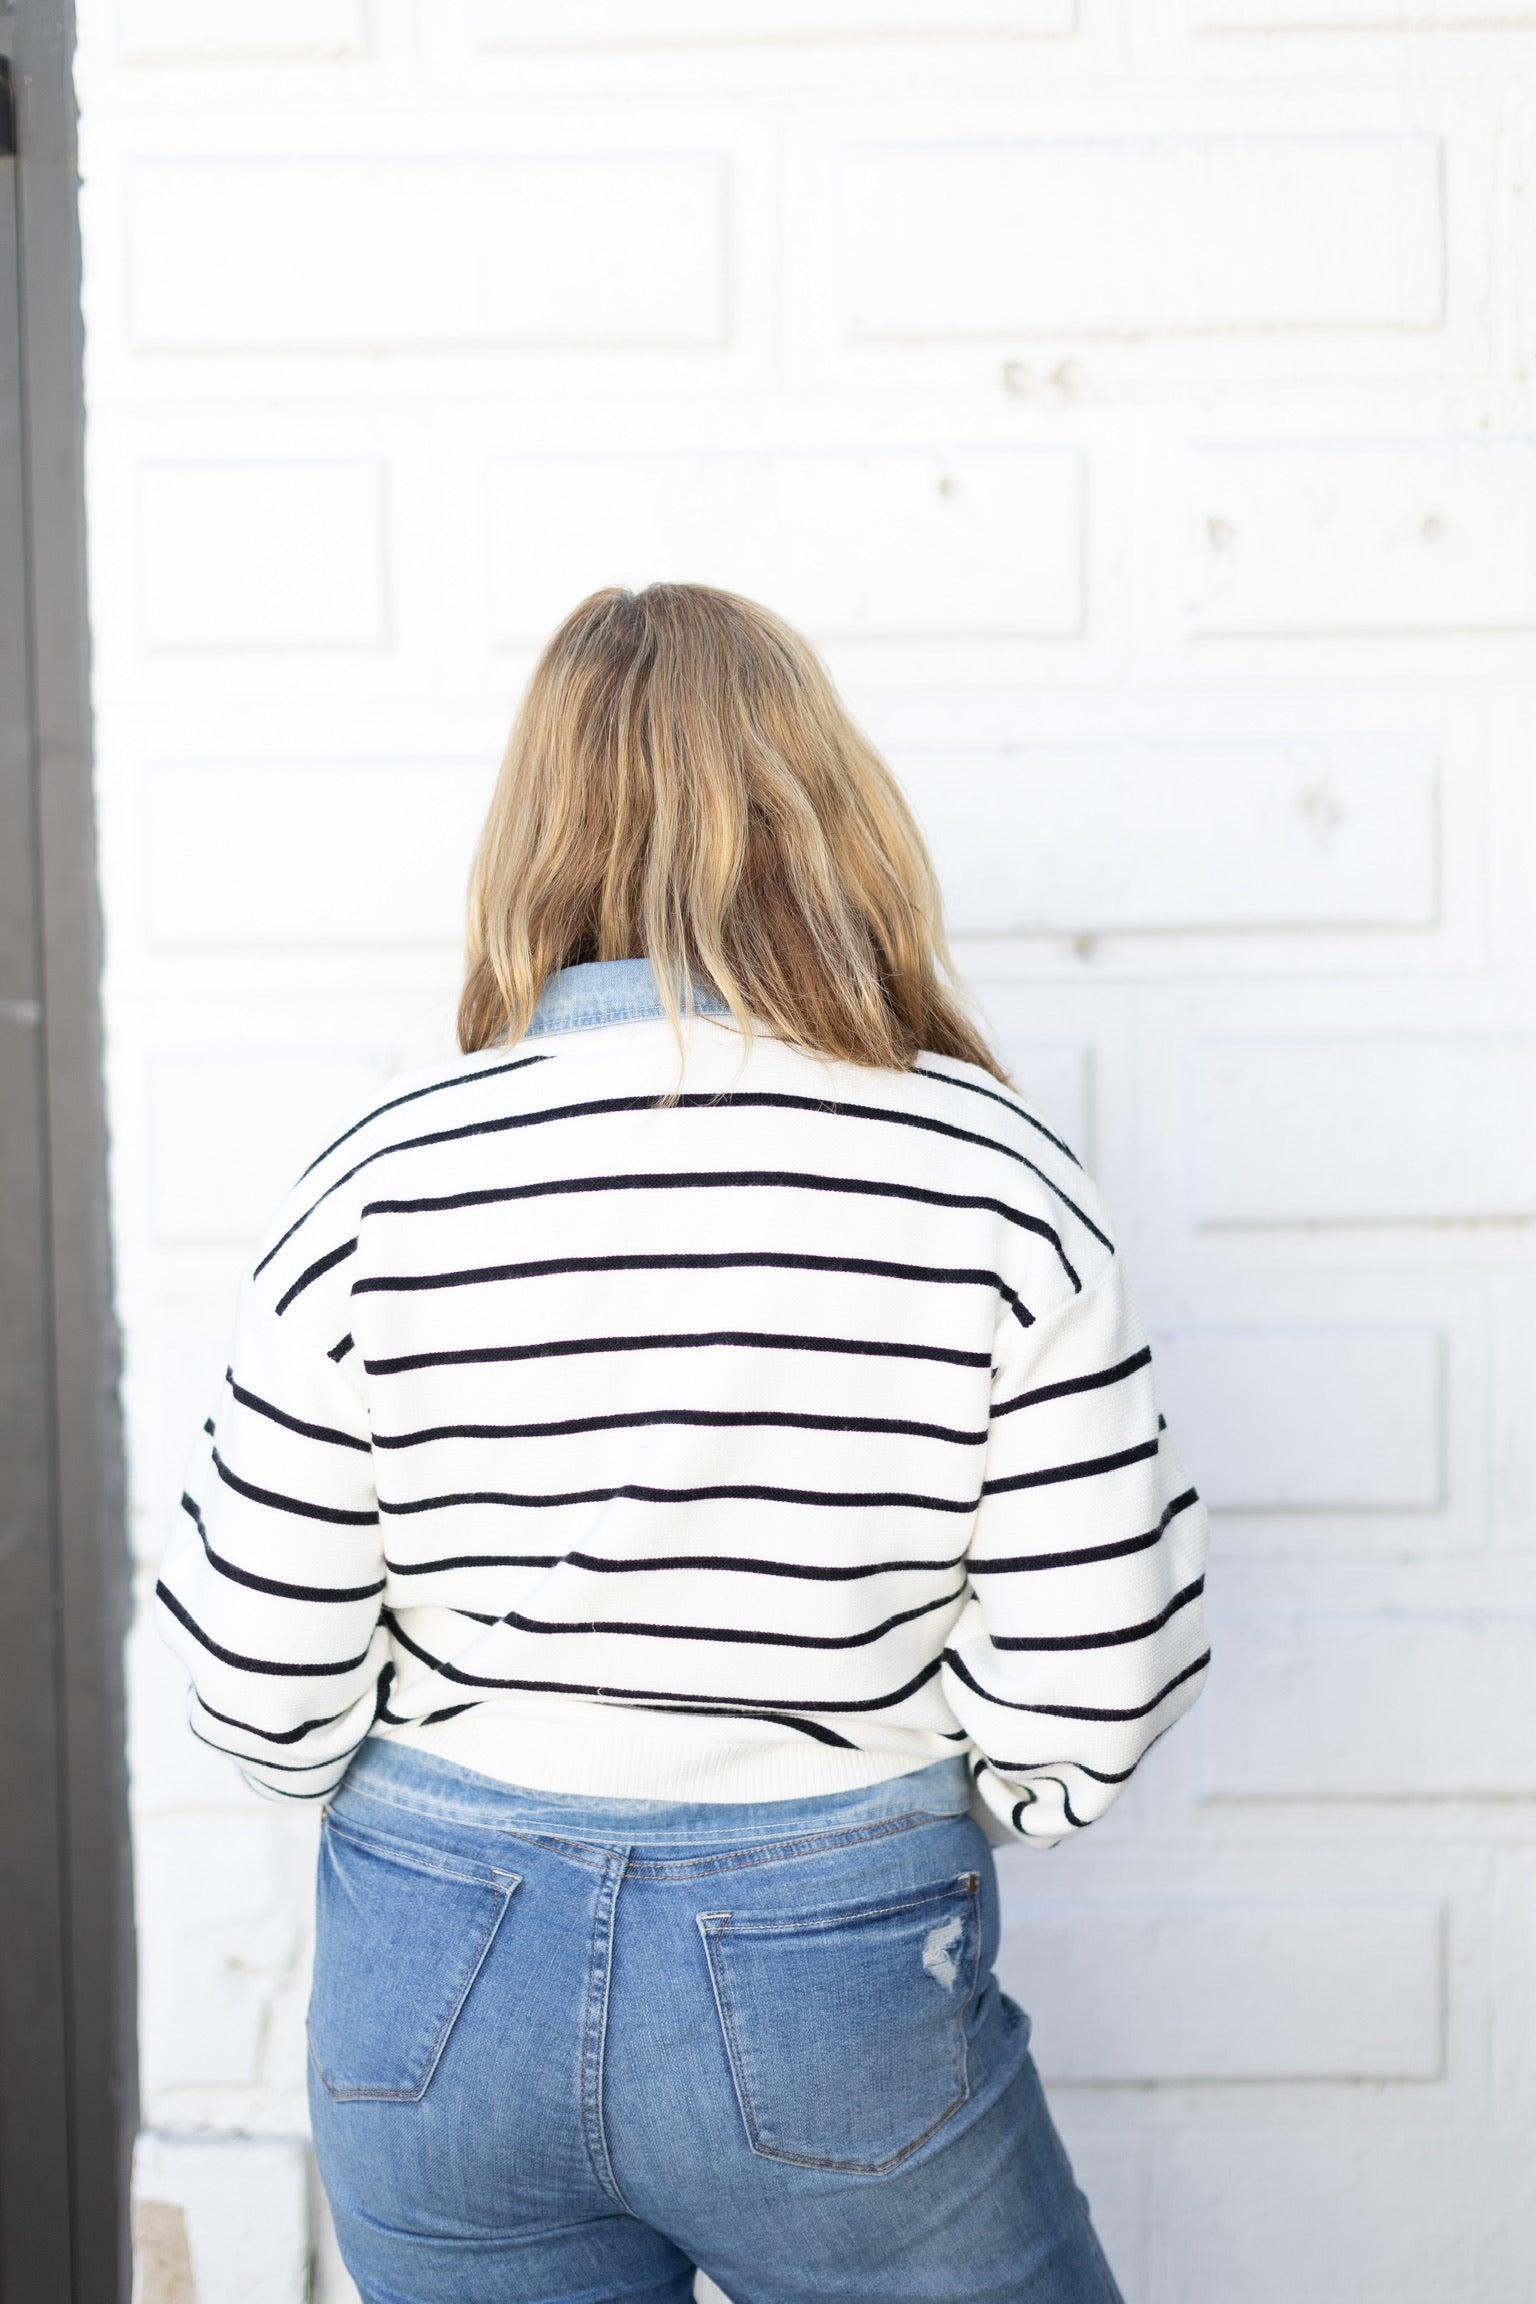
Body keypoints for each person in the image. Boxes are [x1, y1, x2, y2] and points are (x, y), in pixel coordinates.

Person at [157, 583, 1210, 2304]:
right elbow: (1099, 1681)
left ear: (533, 834)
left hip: (432, 1978)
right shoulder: (989, 1177)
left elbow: (255, 1688)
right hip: (833, 1965)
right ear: (831, 816)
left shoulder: (381, 1176)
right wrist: (904, 1823)